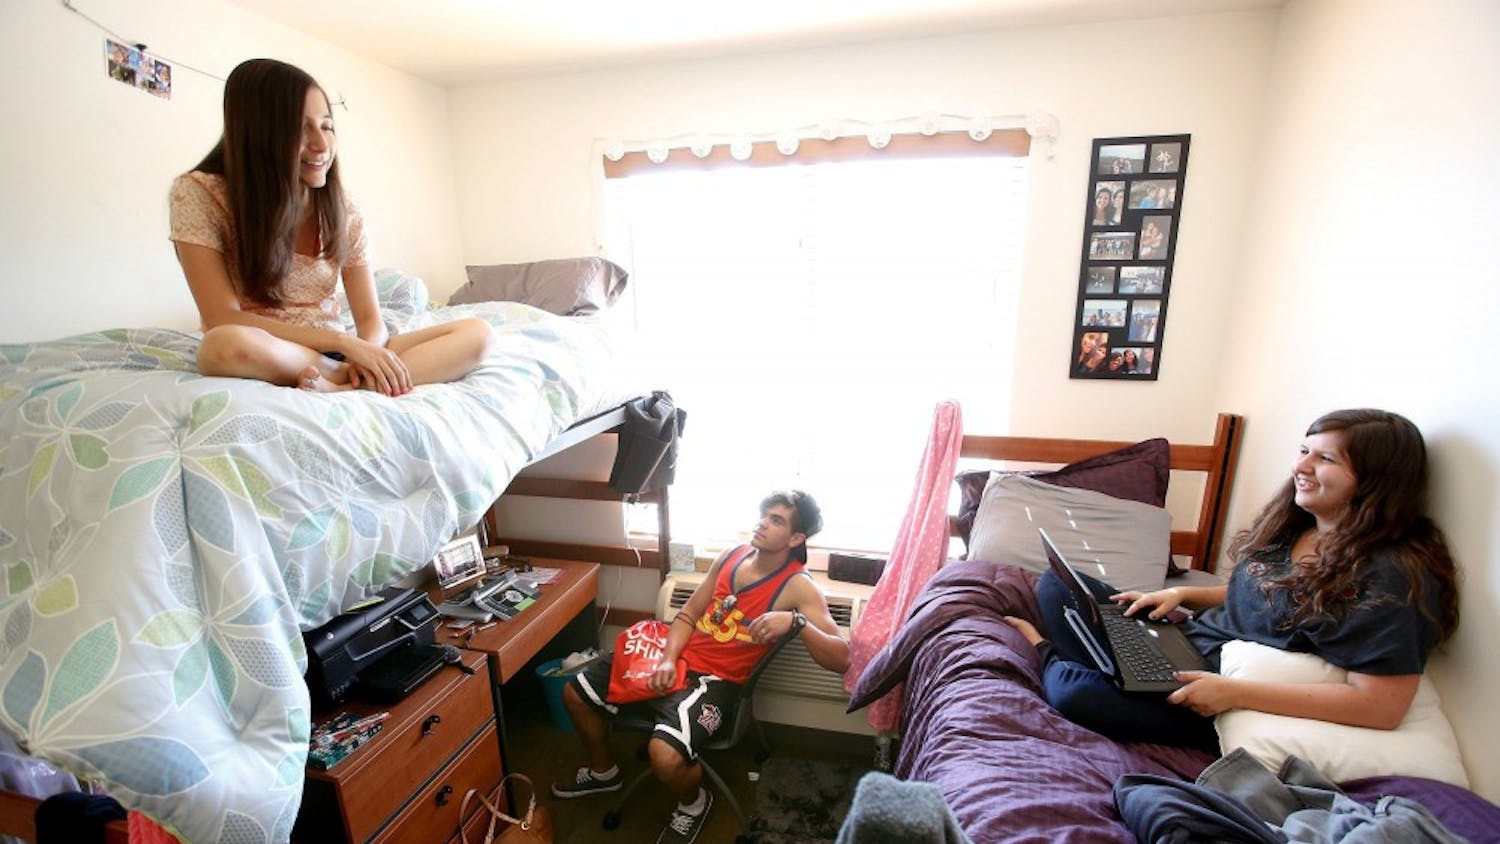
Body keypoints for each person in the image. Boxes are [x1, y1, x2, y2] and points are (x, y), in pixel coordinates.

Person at [1003, 409, 1460, 749]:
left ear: (1377, 480)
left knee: (1077, 695)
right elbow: (1260, 595)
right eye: (1304, 452)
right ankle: (1102, 657)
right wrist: (1180, 592)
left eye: (1325, 459)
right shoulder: (1299, 528)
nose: (1302, 467)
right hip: (1186, 641)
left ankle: (1047, 653)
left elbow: (1382, 706)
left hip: (1212, 692)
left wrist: (1234, 693)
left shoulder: (1389, 575)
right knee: (1057, 585)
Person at [169, 58, 492, 395]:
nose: (322, 146)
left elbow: (370, 321)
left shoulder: (343, 208)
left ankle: (344, 384)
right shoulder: (199, 193)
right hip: (274, 348)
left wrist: (365, 354)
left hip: (341, 355)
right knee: (221, 345)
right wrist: (341, 343)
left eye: (326, 126)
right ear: (257, 133)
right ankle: (345, 379)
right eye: (299, 128)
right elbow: (222, 316)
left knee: (478, 334)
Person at [553, 491, 849, 844]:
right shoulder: (731, 556)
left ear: (796, 538)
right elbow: (688, 615)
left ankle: (693, 805)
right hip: (673, 657)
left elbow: (841, 658)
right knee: (574, 693)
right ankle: (605, 772)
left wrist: (797, 622)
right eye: (764, 514)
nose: (762, 523)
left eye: (777, 520)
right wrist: (667, 657)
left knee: (663, 757)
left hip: (715, 682)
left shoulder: (799, 586)